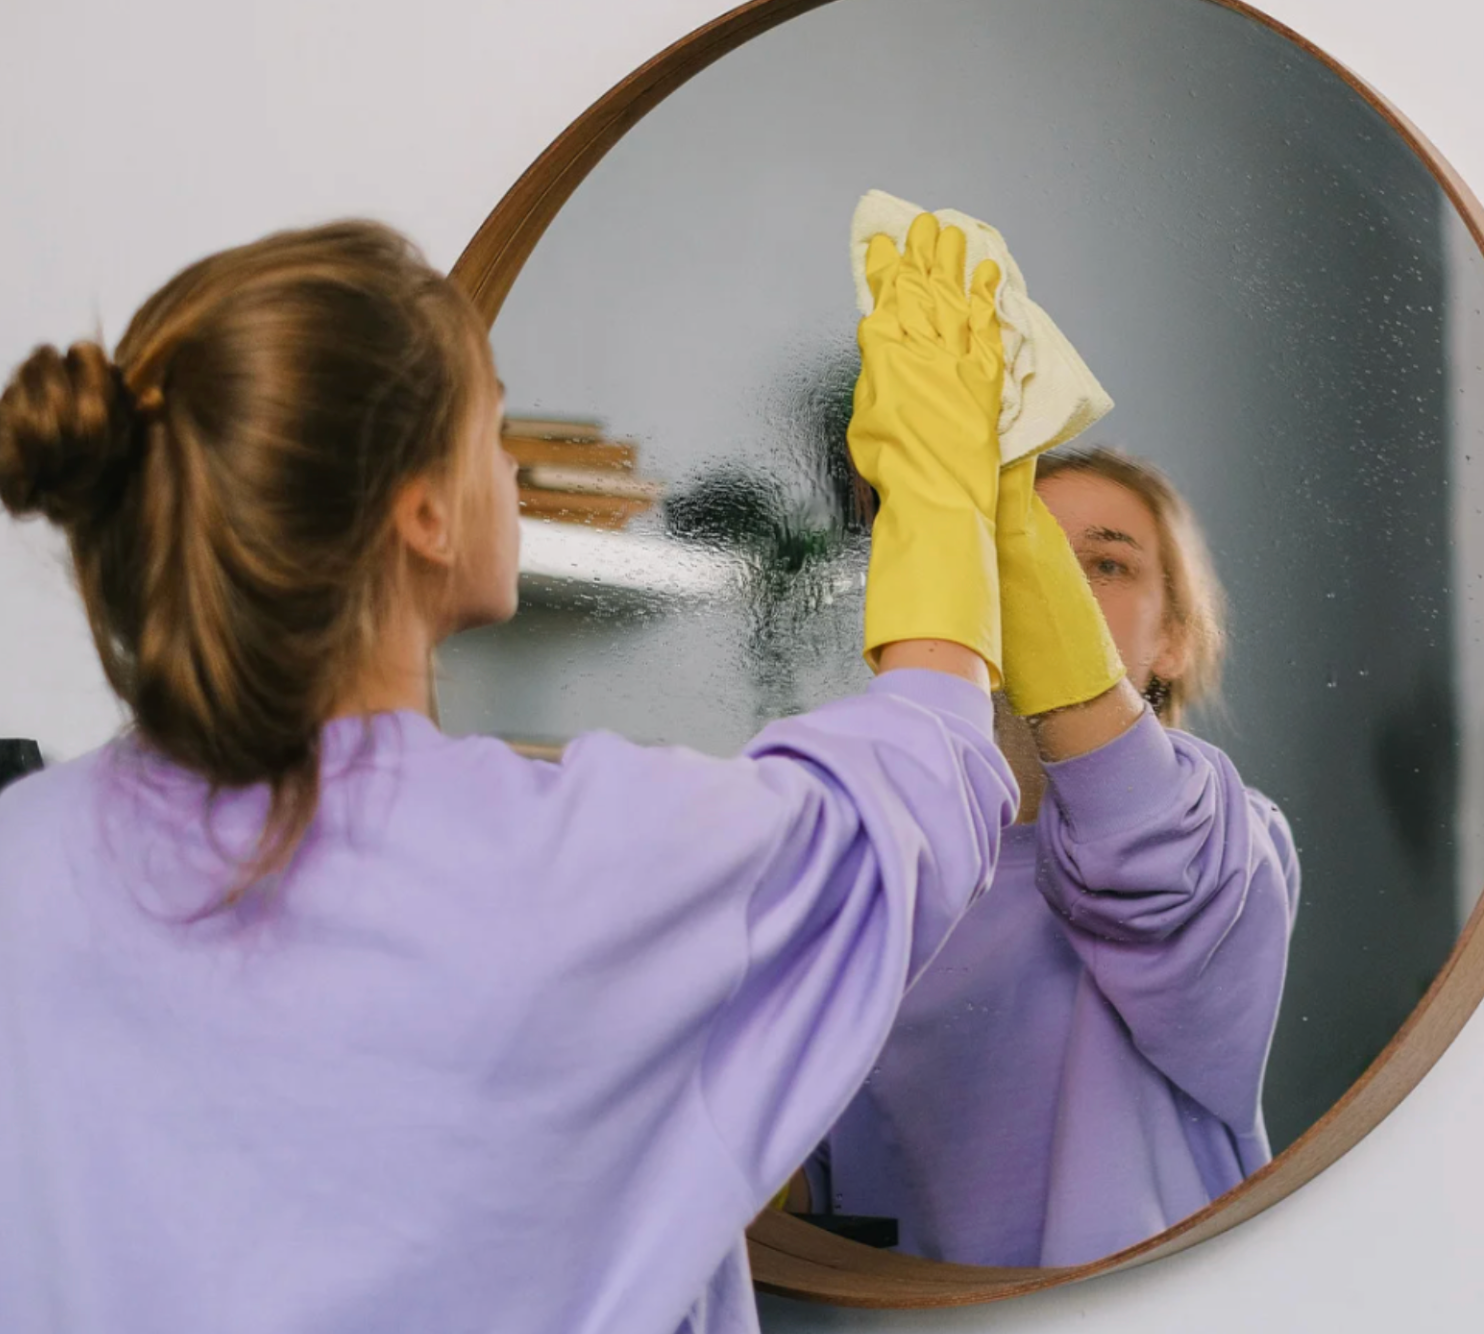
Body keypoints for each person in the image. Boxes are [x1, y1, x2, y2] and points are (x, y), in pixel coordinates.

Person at [0, 214, 1016, 1333]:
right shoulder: (583, 867)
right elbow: (909, 807)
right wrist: (941, 498)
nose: (515, 467)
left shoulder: (24, 861)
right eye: (492, 426)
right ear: (425, 512)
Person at [806, 446, 1302, 1268]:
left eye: (1105, 565)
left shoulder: (1229, 839)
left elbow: (1142, 857)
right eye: (1018, 555)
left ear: (1173, 640)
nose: (1059, 591)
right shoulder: (876, 860)